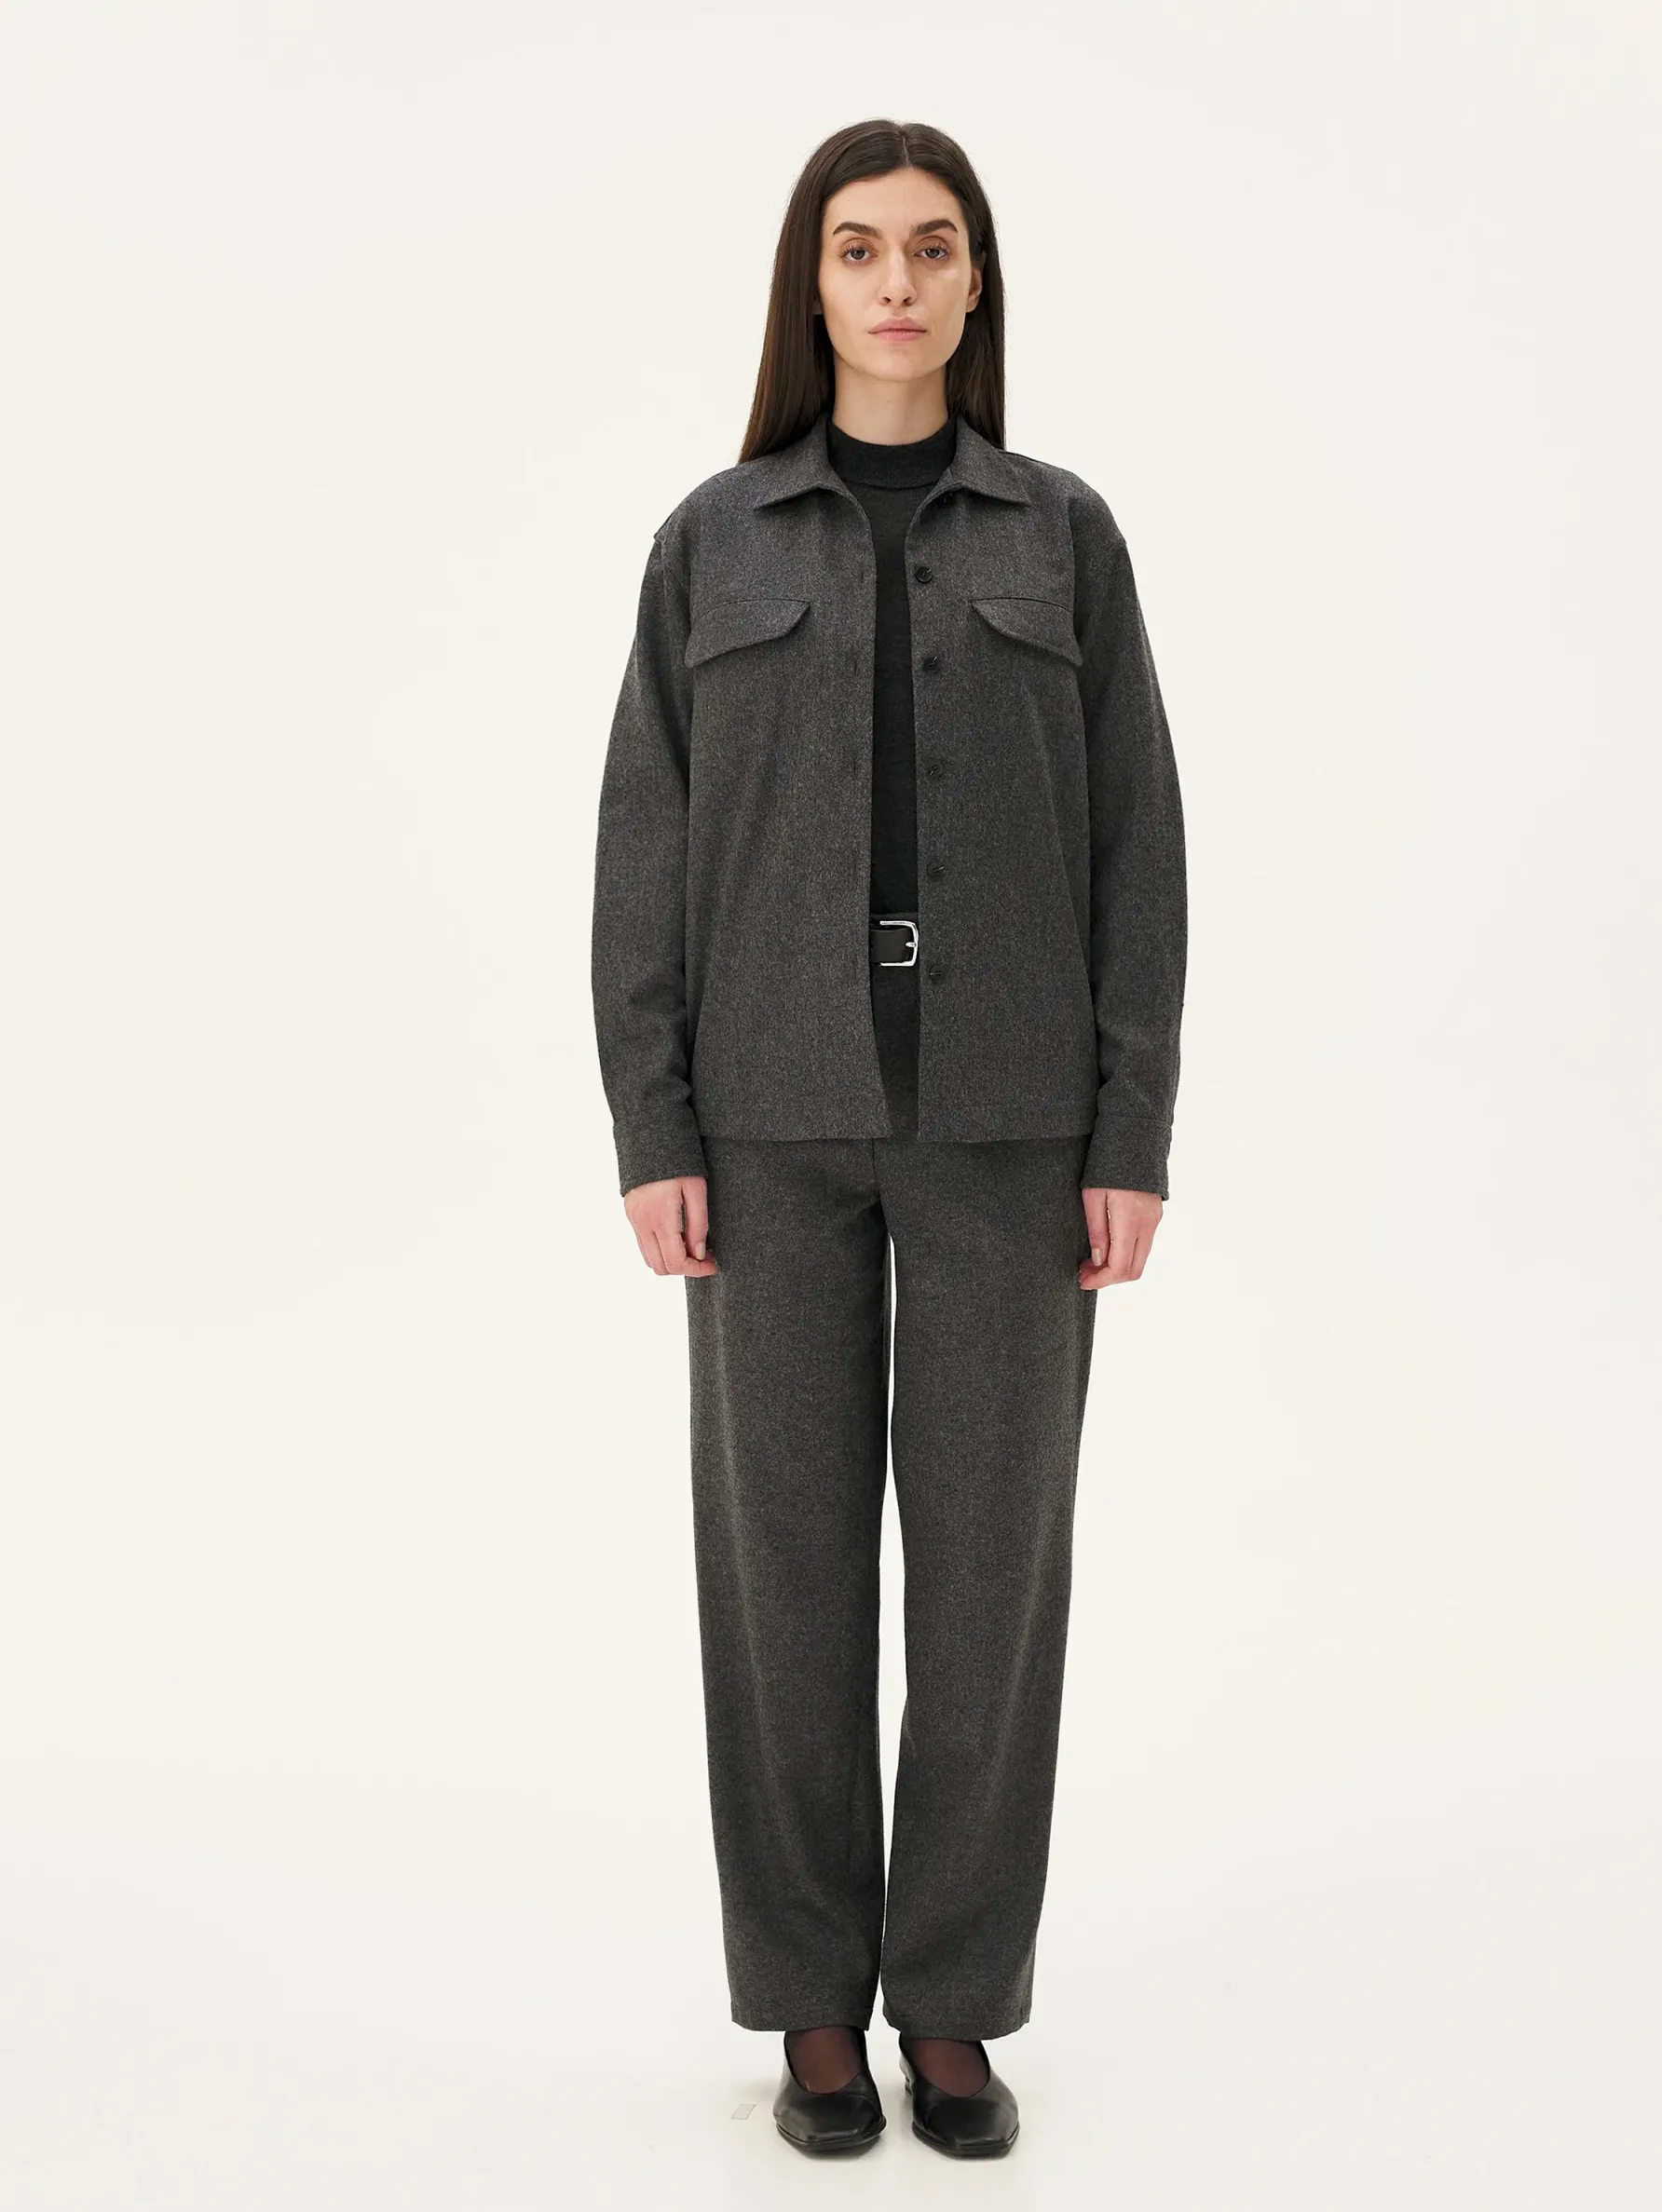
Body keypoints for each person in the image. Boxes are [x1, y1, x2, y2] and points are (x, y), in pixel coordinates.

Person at [591, 116, 1187, 2161]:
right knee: (781, 1574)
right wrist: (652, 1120)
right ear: (814, 283)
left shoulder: (1062, 536)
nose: (898, 283)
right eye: (860, 249)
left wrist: (1131, 1123)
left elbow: (1138, 842)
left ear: (974, 280)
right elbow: (643, 841)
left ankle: (949, 1999)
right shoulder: (712, 540)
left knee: (992, 1577)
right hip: (764, 1124)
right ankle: (808, 2003)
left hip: (1016, 1124)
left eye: (932, 247)